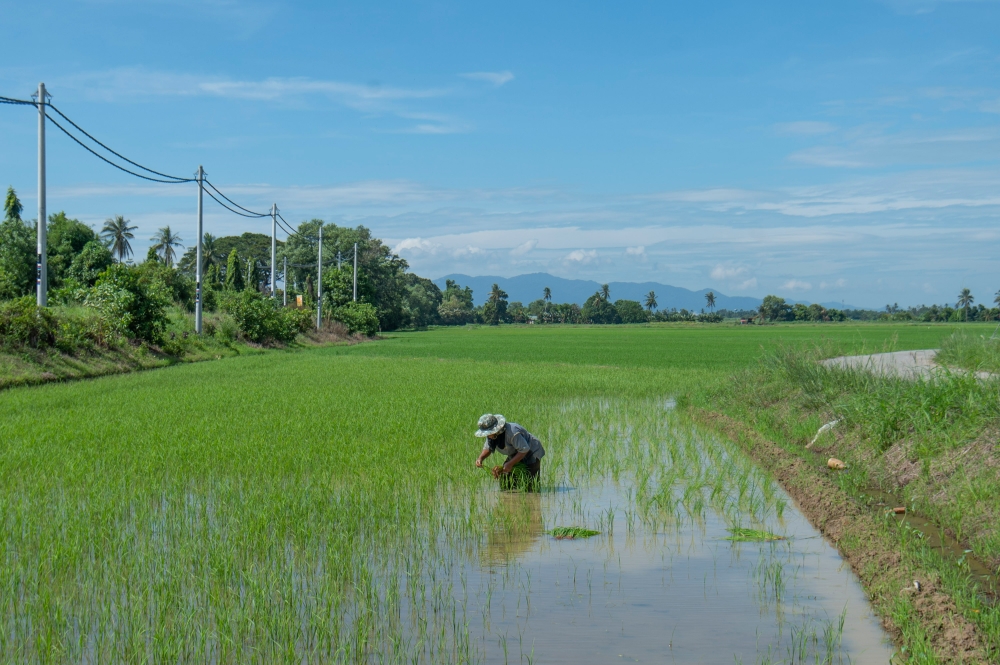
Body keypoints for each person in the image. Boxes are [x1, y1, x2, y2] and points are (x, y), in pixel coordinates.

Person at [474, 414, 545, 490]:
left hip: (531, 451)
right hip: (516, 451)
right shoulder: (491, 436)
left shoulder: (512, 432)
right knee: (506, 481)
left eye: (489, 433)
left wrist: (510, 464)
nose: (487, 435)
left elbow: (524, 449)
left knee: (531, 484)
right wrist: (480, 458)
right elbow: (488, 448)